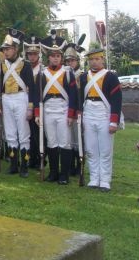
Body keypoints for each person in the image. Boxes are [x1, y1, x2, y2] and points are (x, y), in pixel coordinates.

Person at [0, 28, 38, 177]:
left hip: (21, 98)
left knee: (23, 133)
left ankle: (24, 166)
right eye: (4, 49)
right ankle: (13, 165)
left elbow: (32, 88)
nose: (5, 52)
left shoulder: (25, 65)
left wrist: (31, 107)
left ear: (16, 49)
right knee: (10, 133)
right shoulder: (2, 65)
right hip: (6, 99)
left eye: (8, 49)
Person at [77, 48, 122, 192]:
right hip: (89, 113)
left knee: (105, 149)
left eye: (97, 59)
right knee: (91, 148)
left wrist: (113, 121)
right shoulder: (84, 77)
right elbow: (80, 98)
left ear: (102, 59)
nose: (94, 62)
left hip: (104, 114)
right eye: (91, 60)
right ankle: (94, 178)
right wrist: (80, 116)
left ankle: (105, 180)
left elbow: (116, 100)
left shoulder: (111, 76)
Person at [38, 35, 77, 185]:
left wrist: (71, 113)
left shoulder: (67, 73)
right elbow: (37, 95)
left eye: (58, 56)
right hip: (48, 110)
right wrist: (37, 113)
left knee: (65, 143)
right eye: (53, 56)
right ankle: (53, 172)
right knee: (52, 142)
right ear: (48, 58)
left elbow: (73, 95)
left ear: (61, 57)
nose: (55, 59)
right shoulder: (42, 73)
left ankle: (64, 174)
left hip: (63, 109)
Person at [64, 36, 86, 176]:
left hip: (79, 111)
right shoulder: (65, 75)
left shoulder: (82, 76)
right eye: (68, 61)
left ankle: (79, 166)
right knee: (69, 138)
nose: (70, 63)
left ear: (77, 61)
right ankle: (70, 165)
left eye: (72, 60)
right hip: (66, 110)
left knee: (79, 138)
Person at [24, 35, 44, 170]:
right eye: (30, 54)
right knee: (28, 133)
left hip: (38, 103)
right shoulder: (24, 68)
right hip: (24, 101)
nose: (32, 57)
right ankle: (30, 157)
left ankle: (40, 158)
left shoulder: (42, 70)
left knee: (38, 133)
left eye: (34, 54)